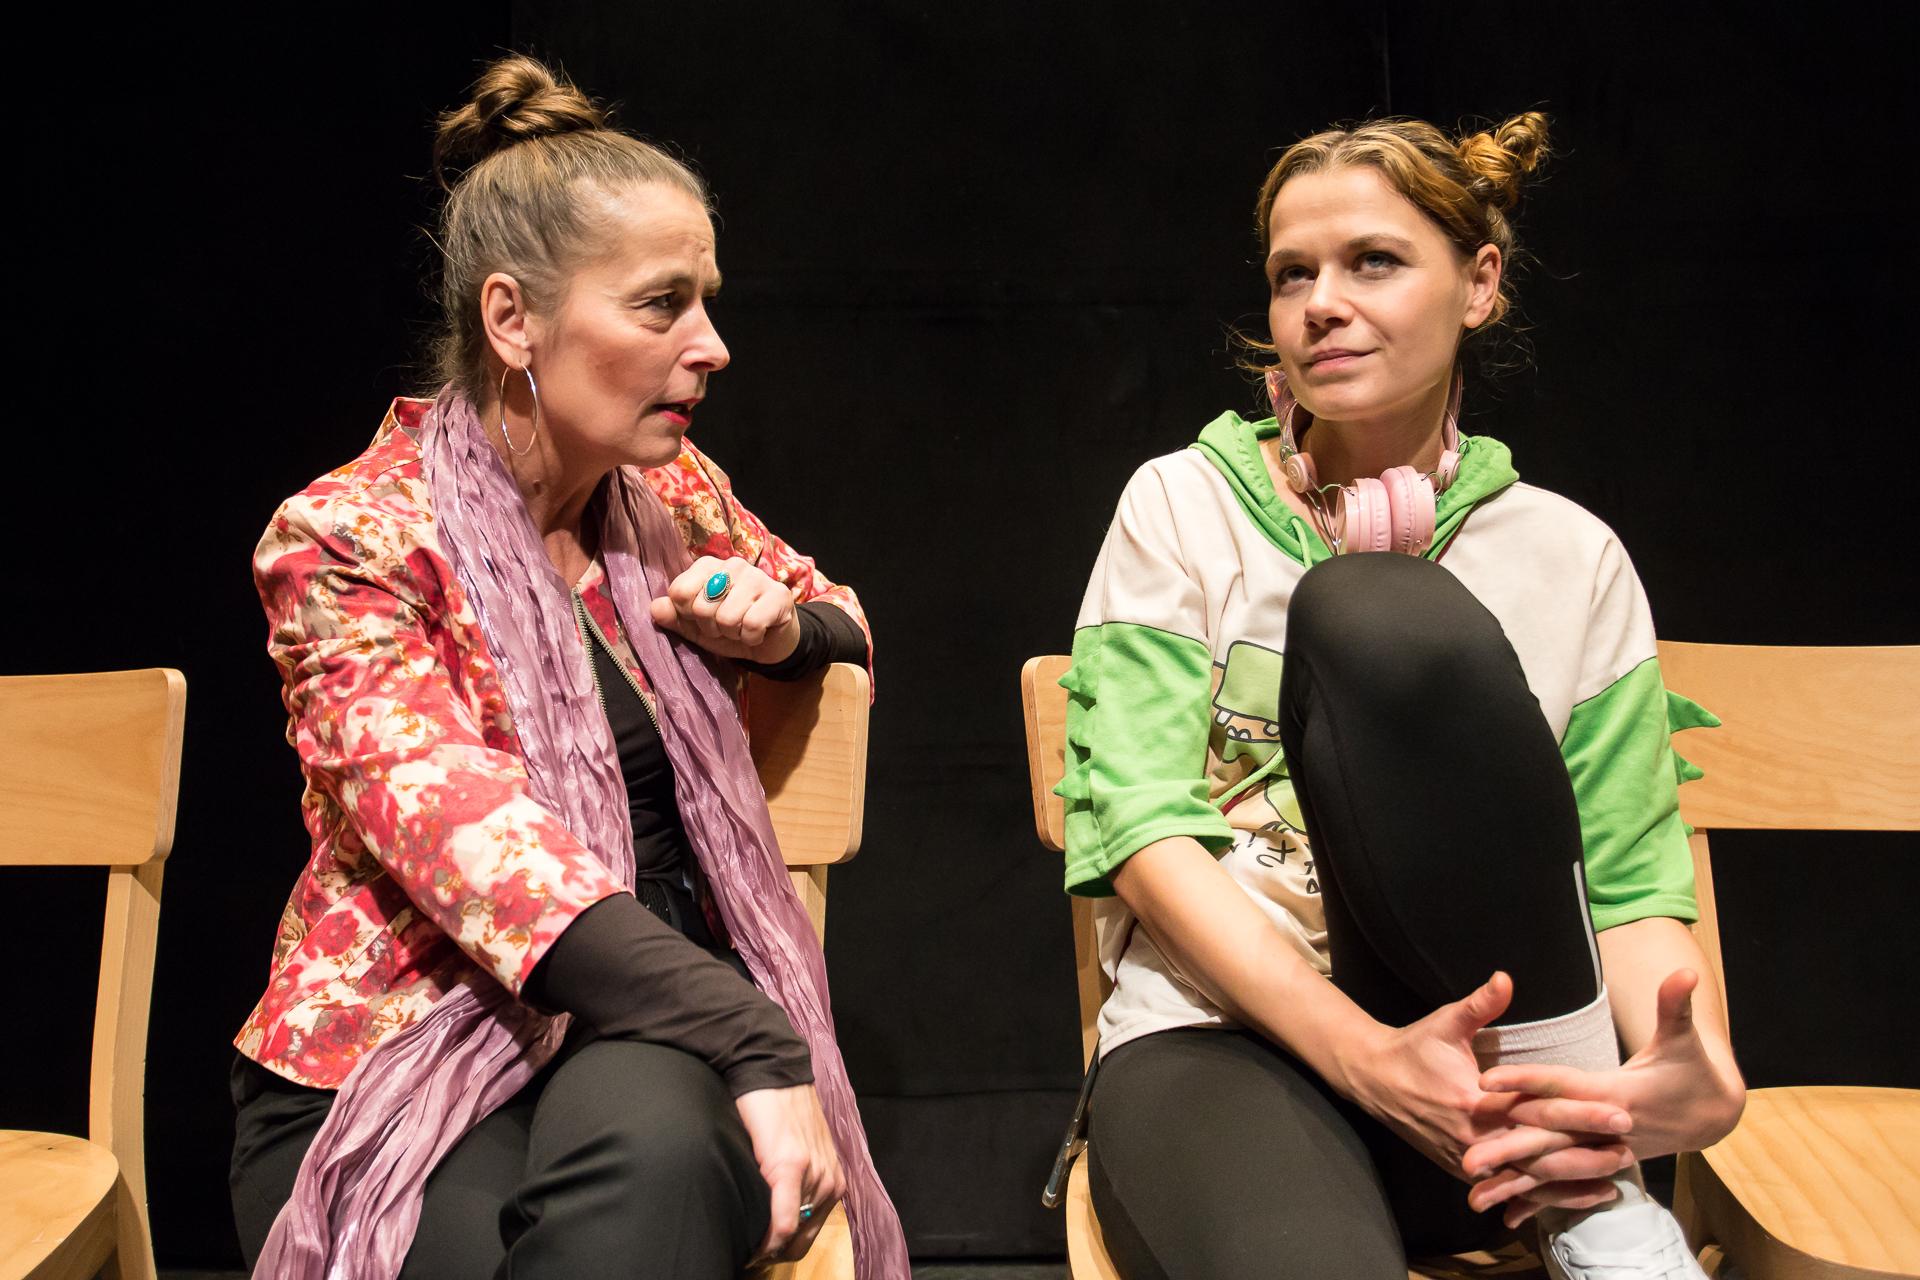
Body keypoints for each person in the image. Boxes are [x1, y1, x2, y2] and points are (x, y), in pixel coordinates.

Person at [226, 54, 910, 1280]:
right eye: (661, 305)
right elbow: (479, 850)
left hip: (637, 1027)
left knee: (656, 1161)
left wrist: (783, 631)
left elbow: (842, 614)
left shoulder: (672, 496)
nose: (712, 345)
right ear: (512, 321)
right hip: (396, 1041)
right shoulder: (347, 537)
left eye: (707, 302)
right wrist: (757, 1036)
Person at [1060, 113, 1745, 1280]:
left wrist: (1704, 1074)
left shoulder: (1573, 556)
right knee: (1366, 608)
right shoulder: (1180, 505)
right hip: (1227, 1048)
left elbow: (1627, 880)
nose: (1321, 303)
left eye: (1372, 261)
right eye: (1293, 274)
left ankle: (1593, 1206)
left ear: (1479, 283)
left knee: (1386, 615)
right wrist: (1365, 1056)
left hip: (1500, 1071)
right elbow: (1141, 826)